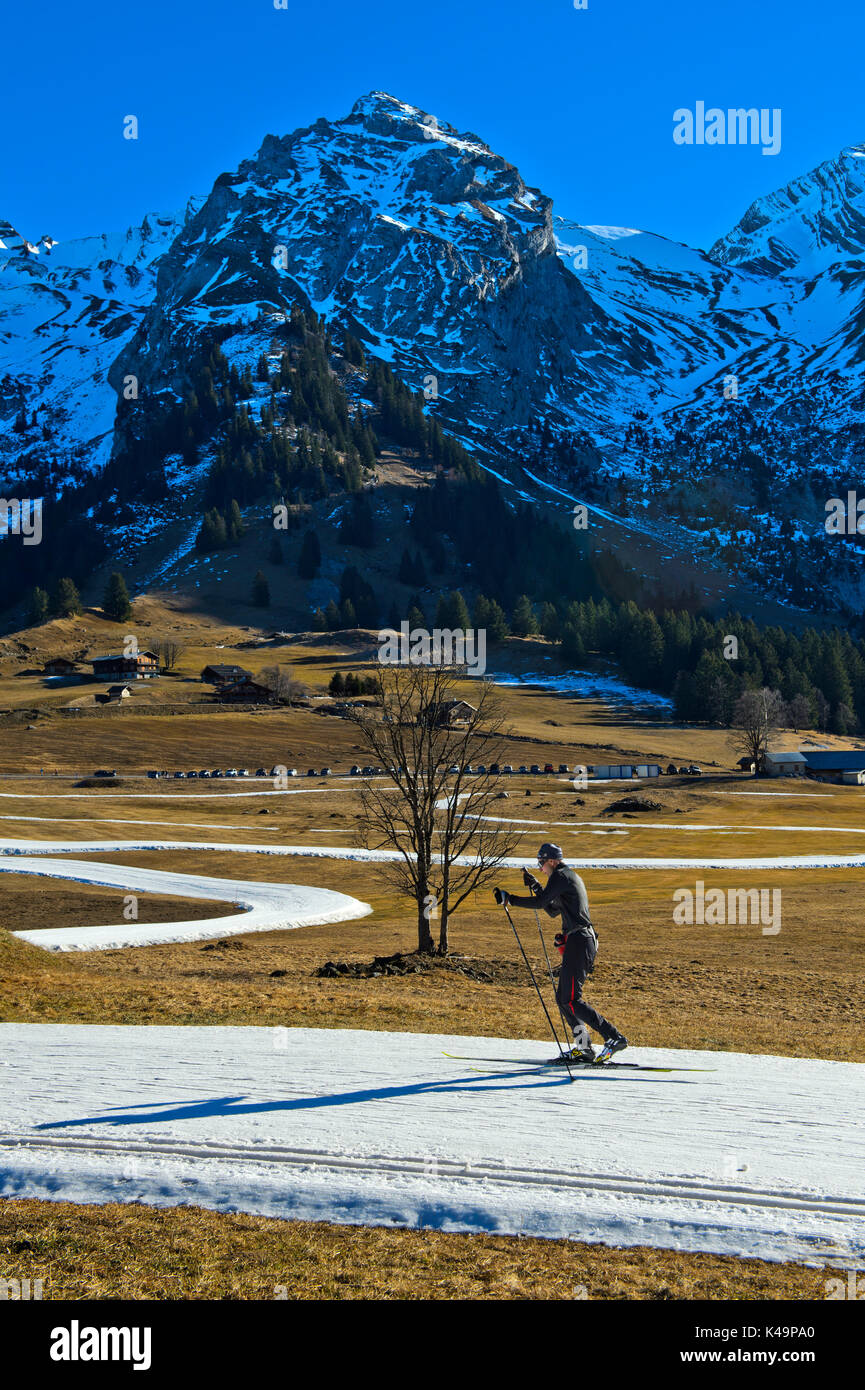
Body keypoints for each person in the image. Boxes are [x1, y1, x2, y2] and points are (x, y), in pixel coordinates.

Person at [494, 842, 628, 1064]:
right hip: (578, 941)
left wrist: (510, 899)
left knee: (571, 999)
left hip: (580, 941)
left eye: (541, 863)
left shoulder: (561, 876)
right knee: (563, 999)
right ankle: (584, 1048)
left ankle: (614, 1037)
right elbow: (553, 910)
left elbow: (541, 904)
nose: (540, 868)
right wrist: (537, 885)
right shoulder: (565, 877)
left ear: (552, 861)